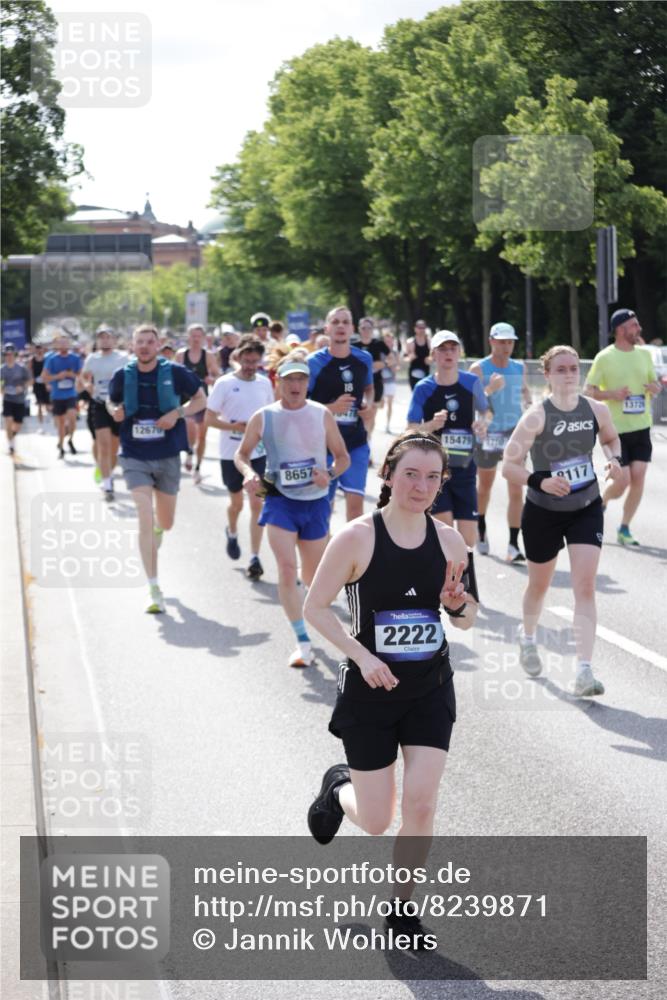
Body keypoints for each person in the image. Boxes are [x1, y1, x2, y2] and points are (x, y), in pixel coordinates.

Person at [303, 431, 478, 945]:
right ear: (388, 476)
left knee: (421, 803)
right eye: (410, 474)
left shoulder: (451, 542)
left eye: (432, 477)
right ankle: (341, 789)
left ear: (442, 483)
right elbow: (316, 607)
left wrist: (455, 604)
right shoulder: (356, 538)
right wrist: (361, 655)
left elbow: (467, 620)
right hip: (371, 692)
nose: (421, 486)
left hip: (429, 688)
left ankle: (402, 909)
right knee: (378, 821)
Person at [503, 346, 624, 696]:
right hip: (543, 512)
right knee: (539, 586)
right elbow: (509, 467)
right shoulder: (536, 416)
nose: (570, 374)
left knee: (584, 587)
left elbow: (612, 439)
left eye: (574, 368)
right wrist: (540, 481)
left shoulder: (596, 409)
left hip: (585, 506)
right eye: (561, 369)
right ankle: (527, 639)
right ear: (549, 375)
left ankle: (584, 671)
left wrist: (614, 459)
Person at [235, 355, 350, 667]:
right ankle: (303, 642)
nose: (295, 385)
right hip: (279, 498)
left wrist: (330, 473)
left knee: (314, 578)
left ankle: (312, 608)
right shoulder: (264, 416)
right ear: (278, 382)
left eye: (300, 379)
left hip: (315, 502)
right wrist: (248, 474)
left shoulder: (321, 414)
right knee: (286, 568)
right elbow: (241, 454)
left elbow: (342, 457)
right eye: (289, 380)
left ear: (307, 383)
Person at [107, 324, 206, 613]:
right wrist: (115, 410)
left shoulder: (175, 372)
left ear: (158, 344)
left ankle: (159, 531)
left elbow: (201, 399)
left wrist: (177, 412)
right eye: (140, 342)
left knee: (166, 522)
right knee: (144, 516)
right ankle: (153, 587)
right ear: (133, 346)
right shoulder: (123, 375)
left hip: (167, 456)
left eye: (150, 342)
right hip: (134, 454)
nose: (145, 346)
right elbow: (111, 399)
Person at [584, 309, 661, 546]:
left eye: (637, 324)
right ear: (620, 329)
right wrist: (612, 394)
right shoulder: (604, 357)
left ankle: (625, 527)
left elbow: (654, 381)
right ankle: (602, 502)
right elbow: (589, 391)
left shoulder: (644, 355)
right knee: (622, 480)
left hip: (641, 427)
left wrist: (654, 387)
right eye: (633, 325)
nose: (638, 328)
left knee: (638, 478)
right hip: (615, 430)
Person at [407, 330, 489, 547]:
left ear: (459, 352)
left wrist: (483, 424)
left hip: (466, 469)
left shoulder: (471, 382)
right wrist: (431, 425)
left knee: (468, 541)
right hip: (435, 473)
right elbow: (411, 429)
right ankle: (445, 580)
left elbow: (486, 412)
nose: (448, 353)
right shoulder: (424, 388)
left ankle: (465, 581)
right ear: (433, 355)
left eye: (453, 348)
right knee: (445, 537)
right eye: (442, 349)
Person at [206, 335, 275, 580]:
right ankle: (232, 531)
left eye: (255, 361)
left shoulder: (265, 384)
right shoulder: (224, 383)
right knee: (236, 504)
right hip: (231, 454)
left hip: (259, 454)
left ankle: (254, 557)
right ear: (238, 358)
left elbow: (272, 416)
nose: (249, 366)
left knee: (258, 504)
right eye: (246, 360)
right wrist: (234, 427)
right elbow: (209, 418)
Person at [468, 322, 532, 562]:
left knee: (517, 489)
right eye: (502, 342)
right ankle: (481, 528)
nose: (506, 346)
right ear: (491, 341)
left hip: (514, 432)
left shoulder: (519, 367)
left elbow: (524, 391)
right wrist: (489, 389)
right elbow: (471, 402)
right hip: (488, 434)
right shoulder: (479, 368)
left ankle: (514, 544)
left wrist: (528, 401)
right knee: (485, 486)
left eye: (510, 342)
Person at [307, 306, 374, 521]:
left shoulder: (364, 359)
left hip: (355, 442)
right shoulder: (313, 362)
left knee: (356, 511)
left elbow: (369, 389)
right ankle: (323, 554)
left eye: (345, 322)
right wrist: (331, 408)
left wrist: (368, 405)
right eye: (335, 322)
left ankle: (351, 555)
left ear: (352, 328)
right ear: (327, 329)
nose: (341, 326)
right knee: (324, 509)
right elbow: (301, 406)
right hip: (322, 445)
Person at [80, 325, 126, 501]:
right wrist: (88, 386)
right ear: (97, 340)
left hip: (117, 406)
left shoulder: (123, 358)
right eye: (101, 337)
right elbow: (84, 376)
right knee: (104, 445)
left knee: (115, 447)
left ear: (114, 340)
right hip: (99, 404)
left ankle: (109, 473)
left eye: (108, 337)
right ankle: (107, 484)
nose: (105, 340)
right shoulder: (92, 358)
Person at [176, 324, 220, 483]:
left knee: (202, 436)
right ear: (188, 337)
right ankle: (189, 452)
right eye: (192, 336)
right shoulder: (181, 355)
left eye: (198, 336)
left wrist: (211, 379)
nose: (195, 339)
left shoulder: (207, 356)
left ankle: (198, 467)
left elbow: (218, 376)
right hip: (185, 400)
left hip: (202, 400)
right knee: (190, 433)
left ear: (203, 338)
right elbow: (174, 375)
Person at [42, 333, 83, 458]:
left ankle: (70, 438)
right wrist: (57, 377)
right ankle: (61, 445)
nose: (63, 345)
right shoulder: (52, 359)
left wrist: (72, 375)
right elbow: (44, 377)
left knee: (72, 417)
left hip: (71, 394)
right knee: (60, 423)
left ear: (69, 344)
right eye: (61, 343)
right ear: (57, 345)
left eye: (65, 342)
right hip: (57, 395)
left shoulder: (75, 358)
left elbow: (82, 375)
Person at [358, 317, 390, 446]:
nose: (366, 331)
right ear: (359, 329)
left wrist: (382, 364)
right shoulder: (353, 345)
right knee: (361, 415)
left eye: (369, 328)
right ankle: (362, 440)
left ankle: (368, 441)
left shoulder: (379, 344)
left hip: (376, 384)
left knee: (371, 414)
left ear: (372, 330)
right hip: (359, 385)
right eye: (363, 328)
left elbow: (392, 359)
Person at [1, 343, 30, 454]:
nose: (9, 356)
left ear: (15, 355)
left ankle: (11, 436)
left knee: (18, 424)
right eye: (7, 354)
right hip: (8, 399)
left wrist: (22, 387)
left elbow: (29, 380)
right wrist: (1, 389)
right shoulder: (2, 369)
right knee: (8, 421)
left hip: (20, 400)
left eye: (11, 354)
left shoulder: (21, 368)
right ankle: (11, 445)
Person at [380, 331, 401, 433]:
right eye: (386, 341)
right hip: (380, 381)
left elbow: (396, 368)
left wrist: (391, 363)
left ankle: (387, 425)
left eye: (390, 341)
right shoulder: (379, 352)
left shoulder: (395, 353)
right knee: (380, 404)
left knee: (390, 404)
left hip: (391, 381)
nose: (388, 343)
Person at [404, 320, 431, 390]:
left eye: (423, 327)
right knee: (415, 393)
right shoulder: (410, 342)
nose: (421, 330)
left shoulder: (429, 342)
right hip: (414, 372)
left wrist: (430, 359)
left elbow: (433, 356)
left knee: (426, 395)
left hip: (426, 372)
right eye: (419, 327)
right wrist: (410, 358)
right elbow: (405, 358)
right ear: (415, 329)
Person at [29, 343, 50, 428]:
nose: (38, 350)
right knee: (39, 404)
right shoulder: (32, 359)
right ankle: (40, 424)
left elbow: (49, 370)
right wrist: (32, 379)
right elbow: (29, 370)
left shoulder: (46, 359)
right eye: (37, 348)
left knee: (48, 404)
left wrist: (48, 381)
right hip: (37, 384)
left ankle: (49, 419)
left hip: (45, 383)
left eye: (40, 348)